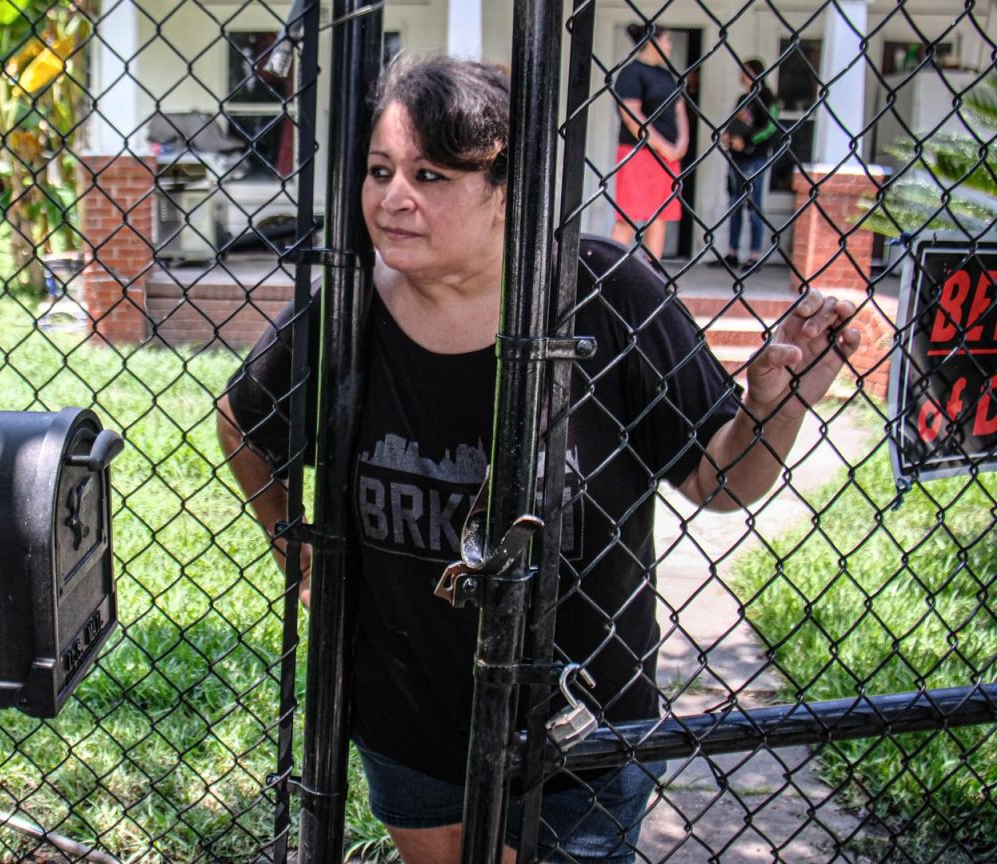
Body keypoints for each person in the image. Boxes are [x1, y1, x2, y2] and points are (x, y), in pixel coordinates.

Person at [216, 55, 861, 864]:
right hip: (403, 714)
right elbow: (243, 423)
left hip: (578, 726)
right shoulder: (344, 308)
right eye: (380, 170)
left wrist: (775, 405)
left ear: (507, 191)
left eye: (432, 173)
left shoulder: (608, 290)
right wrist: (294, 546)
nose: (392, 197)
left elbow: (718, 480)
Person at [610, 24, 688, 262]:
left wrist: (682, 144)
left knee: (659, 216)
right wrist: (662, 145)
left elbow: (680, 111)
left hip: (668, 157)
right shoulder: (631, 74)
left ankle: (652, 273)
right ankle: (608, 272)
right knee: (628, 216)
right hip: (639, 153)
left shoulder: (667, 76)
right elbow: (632, 116)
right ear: (652, 42)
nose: (670, 45)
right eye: (666, 40)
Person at [711, 58, 781, 270]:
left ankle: (753, 256)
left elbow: (770, 129)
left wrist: (747, 142)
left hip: (755, 160)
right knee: (735, 205)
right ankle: (732, 253)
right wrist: (728, 136)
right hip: (737, 159)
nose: (741, 75)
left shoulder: (768, 99)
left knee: (754, 208)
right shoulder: (743, 98)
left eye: (745, 71)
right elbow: (737, 122)